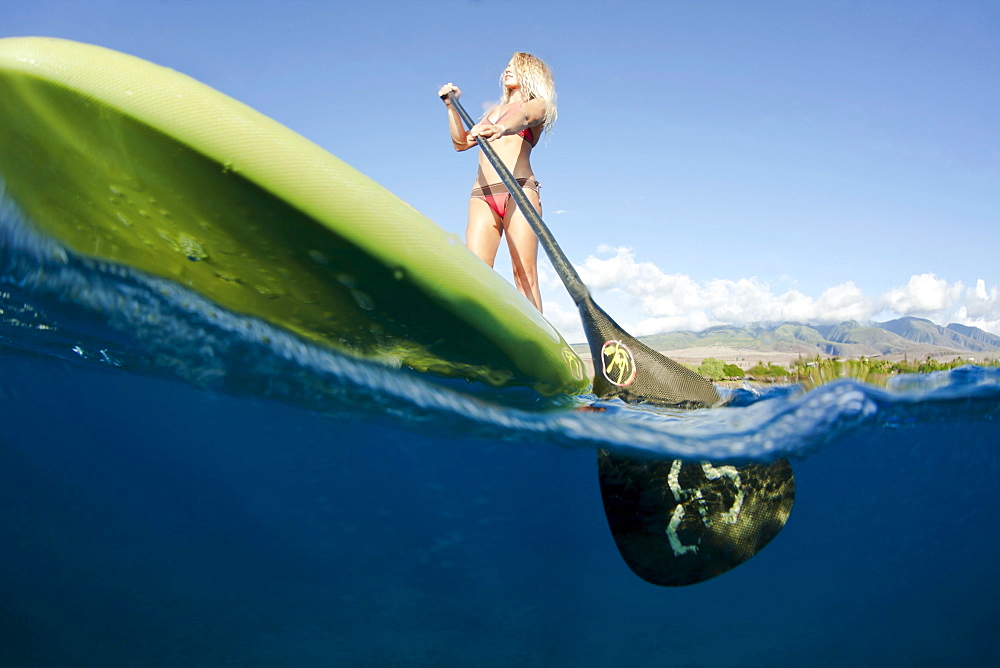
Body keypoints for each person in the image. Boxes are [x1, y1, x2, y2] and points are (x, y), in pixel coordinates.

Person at [437, 52, 557, 312]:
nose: (507, 70)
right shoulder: (492, 111)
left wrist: (500, 128)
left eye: (515, 66)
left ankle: (533, 346)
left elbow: (525, 117)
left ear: (531, 72)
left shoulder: (539, 104)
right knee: (476, 275)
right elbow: (460, 143)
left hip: (519, 190)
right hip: (482, 195)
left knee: (523, 274)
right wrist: (451, 107)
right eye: (507, 66)